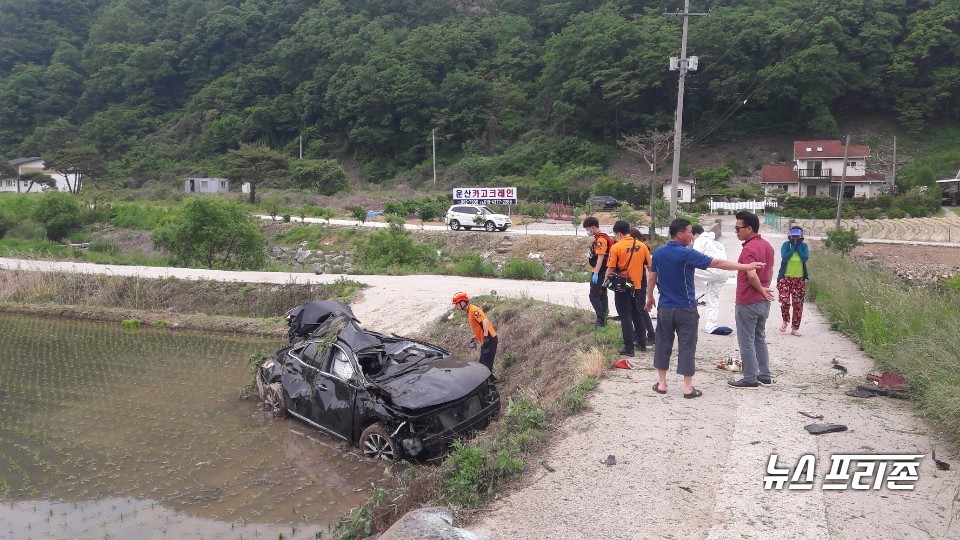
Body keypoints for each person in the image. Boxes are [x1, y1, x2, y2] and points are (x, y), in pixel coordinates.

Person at [646, 218, 767, 398]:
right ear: (679, 234)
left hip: (664, 308)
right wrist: (746, 266)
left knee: (663, 344)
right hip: (686, 309)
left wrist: (649, 298)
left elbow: (651, 277)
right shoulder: (686, 254)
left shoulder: (658, 254)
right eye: (689, 232)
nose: (692, 236)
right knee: (687, 346)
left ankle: (662, 384)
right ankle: (687, 388)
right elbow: (717, 263)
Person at [728, 211, 776, 389]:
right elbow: (770, 270)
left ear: (749, 228)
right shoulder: (767, 246)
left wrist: (760, 289)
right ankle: (764, 375)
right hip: (763, 301)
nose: (736, 232)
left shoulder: (749, 249)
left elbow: (751, 274)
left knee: (746, 340)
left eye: (738, 228)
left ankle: (749, 378)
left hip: (748, 300)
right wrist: (765, 289)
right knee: (759, 339)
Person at [605, 220, 651, 357]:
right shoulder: (642, 246)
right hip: (637, 286)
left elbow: (611, 268)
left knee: (625, 316)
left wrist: (604, 282)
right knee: (637, 314)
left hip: (622, 287)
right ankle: (642, 343)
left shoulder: (616, 247)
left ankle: (629, 348)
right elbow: (650, 267)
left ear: (618, 233)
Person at [691, 225, 733, 335]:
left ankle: (693, 299)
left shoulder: (700, 240)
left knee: (687, 272)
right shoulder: (718, 244)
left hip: (713, 270)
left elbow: (695, 257)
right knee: (712, 297)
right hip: (724, 272)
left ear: (695, 234)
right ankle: (711, 326)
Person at [452, 292, 498, 372]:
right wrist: (476, 336)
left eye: (456, 304)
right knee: (483, 365)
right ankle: (488, 381)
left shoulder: (473, 309)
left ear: (462, 302)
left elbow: (484, 321)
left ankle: (489, 383)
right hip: (486, 341)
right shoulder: (469, 311)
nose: (455, 306)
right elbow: (480, 325)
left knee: (485, 367)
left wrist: (486, 337)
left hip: (490, 339)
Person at [777, 226, 810, 336]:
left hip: (799, 280)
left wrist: (798, 247)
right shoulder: (786, 245)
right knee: (784, 301)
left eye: (797, 236)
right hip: (785, 278)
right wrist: (792, 248)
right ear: (790, 236)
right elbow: (785, 258)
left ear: (801, 236)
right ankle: (785, 321)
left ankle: (795, 328)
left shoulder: (804, 246)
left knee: (797, 305)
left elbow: (804, 258)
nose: (795, 238)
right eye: (793, 236)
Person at [582, 216, 614, 329]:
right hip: (604, 270)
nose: (587, 231)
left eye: (587, 228)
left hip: (600, 271)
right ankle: (603, 319)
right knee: (602, 294)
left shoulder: (600, 240)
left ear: (593, 227)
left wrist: (596, 272)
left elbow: (600, 257)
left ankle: (600, 319)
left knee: (594, 295)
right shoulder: (602, 237)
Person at [629, 228, 657, 345]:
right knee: (639, 310)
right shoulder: (641, 247)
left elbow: (648, 268)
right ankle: (643, 334)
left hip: (641, 281)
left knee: (641, 310)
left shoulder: (640, 248)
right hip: (641, 281)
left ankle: (650, 335)